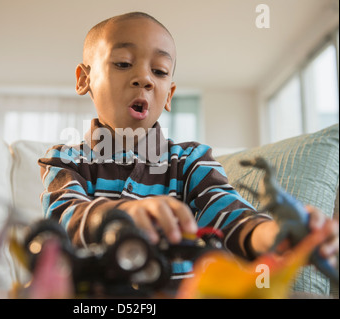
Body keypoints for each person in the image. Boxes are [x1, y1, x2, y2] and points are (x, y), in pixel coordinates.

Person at [38, 12, 338, 265]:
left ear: (168, 95)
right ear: (84, 79)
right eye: (123, 63)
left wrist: (276, 236)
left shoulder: (191, 161)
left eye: (159, 71)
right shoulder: (63, 160)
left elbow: (230, 216)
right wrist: (125, 214)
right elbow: (64, 220)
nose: (144, 78)